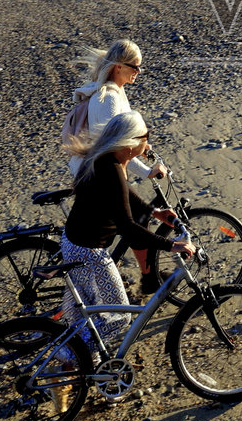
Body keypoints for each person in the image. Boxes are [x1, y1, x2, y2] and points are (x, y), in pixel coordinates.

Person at [50, 111, 195, 413]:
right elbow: (129, 229)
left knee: (83, 319)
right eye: (145, 137)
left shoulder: (107, 161)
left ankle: (79, 377)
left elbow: (123, 196)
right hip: (89, 254)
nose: (147, 143)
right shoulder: (112, 167)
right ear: (129, 143)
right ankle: (66, 363)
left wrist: (155, 214)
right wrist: (172, 245)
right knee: (119, 318)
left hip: (74, 244)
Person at [60, 39, 171, 292]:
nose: (138, 72)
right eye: (135, 67)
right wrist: (147, 172)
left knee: (132, 217)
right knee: (131, 220)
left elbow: (126, 138)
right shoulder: (107, 99)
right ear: (118, 67)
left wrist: (145, 145)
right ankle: (147, 278)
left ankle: (144, 275)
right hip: (96, 172)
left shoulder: (117, 92)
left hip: (100, 166)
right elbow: (114, 147)